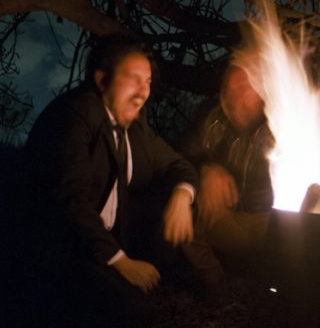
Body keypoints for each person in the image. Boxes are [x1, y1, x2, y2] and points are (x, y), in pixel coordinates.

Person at [16, 34, 197, 327]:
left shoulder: (134, 128)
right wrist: (122, 262)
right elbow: (71, 203)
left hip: (105, 243)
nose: (143, 91)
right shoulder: (74, 115)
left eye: (148, 81)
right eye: (133, 78)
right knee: (136, 316)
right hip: (64, 250)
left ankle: (146, 279)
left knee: (180, 196)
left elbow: (180, 166)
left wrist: (181, 197)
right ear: (102, 81)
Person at [180, 58, 274, 303]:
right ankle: (218, 287)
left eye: (249, 85)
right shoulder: (210, 116)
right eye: (234, 87)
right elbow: (181, 159)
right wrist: (205, 169)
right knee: (182, 198)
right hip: (228, 219)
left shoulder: (281, 119)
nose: (241, 94)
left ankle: (284, 286)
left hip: (273, 223)